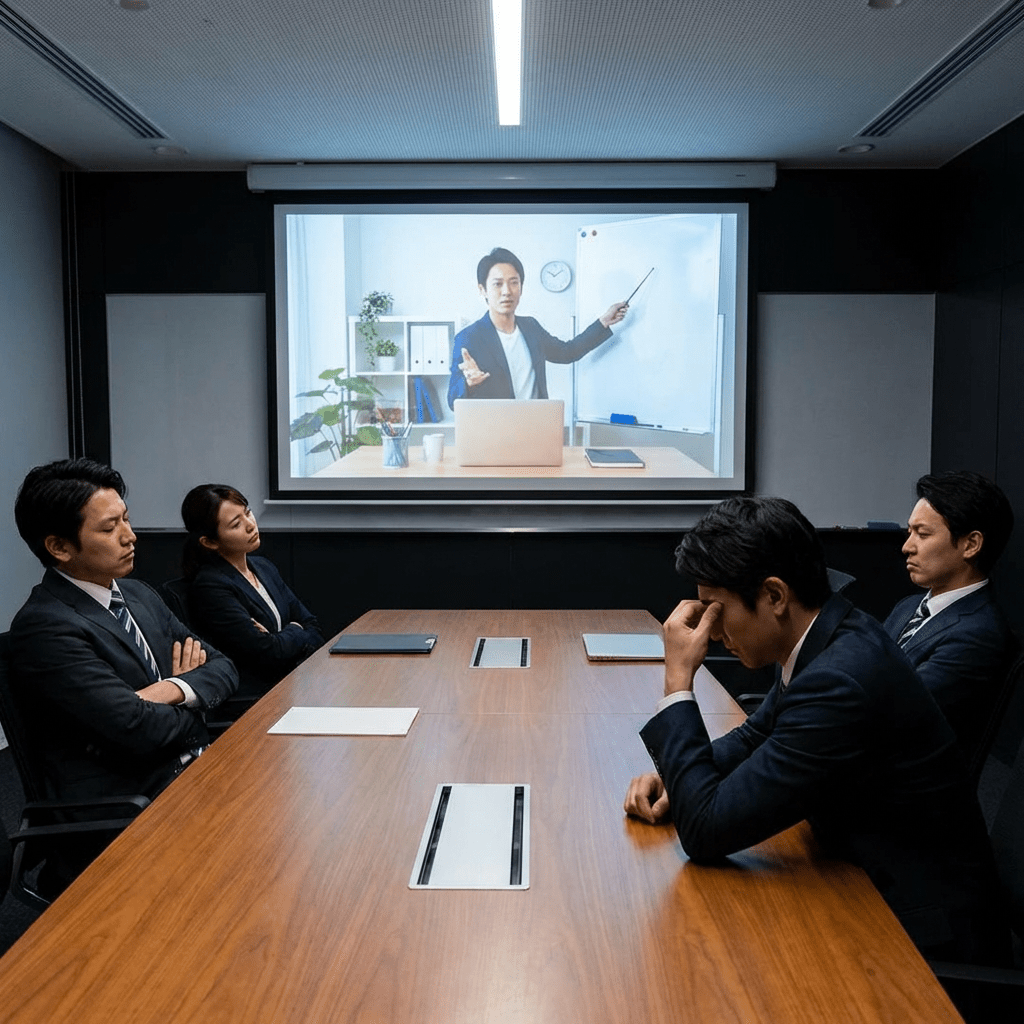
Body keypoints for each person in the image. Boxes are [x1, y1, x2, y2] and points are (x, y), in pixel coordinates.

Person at [623, 496, 1006, 966]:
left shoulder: (839, 679)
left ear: (775, 596)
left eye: (715, 611)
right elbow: (755, 736)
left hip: (917, 933)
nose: (712, 630)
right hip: (856, 876)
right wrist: (678, 777)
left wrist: (678, 680)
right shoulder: (829, 633)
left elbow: (705, 833)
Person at [8, 459, 238, 804]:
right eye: (108, 528)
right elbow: (135, 728)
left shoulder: (138, 593)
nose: (130, 536)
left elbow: (223, 666)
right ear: (59, 547)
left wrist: (169, 689)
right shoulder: (45, 626)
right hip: (132, 803)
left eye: (126, 519)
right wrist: (194, 703)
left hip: (193, 772)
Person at [884, 471, 1016, 769]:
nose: (907, 546)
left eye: (923, 533)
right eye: (909, 532)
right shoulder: (908, 607)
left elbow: (890, 714)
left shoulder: (979, 633)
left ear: (971, 545)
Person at [181, 483, 324, 705]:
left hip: (292, 683)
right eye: (236, 524)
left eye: (247, 512)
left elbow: (313, 627)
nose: (250, 525)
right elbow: (268, 653)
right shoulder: (211, 585)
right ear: (210, 542)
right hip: (257, 699)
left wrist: (281, 636)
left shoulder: (263, 566)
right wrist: (294, 630)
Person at [446, 247, 629, 408]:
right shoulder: (469, 338)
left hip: (535, 427)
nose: (507, 291)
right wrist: (469, 383)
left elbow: (567, 352)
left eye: (514, 282)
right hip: (495, 434)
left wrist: (603, 322)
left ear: (521, 287)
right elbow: (452, 399)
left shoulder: (531, 327)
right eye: (497, 284)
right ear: (482, 290)